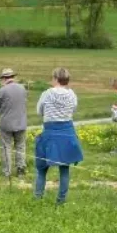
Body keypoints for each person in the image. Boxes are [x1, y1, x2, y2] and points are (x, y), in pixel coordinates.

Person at [34, 68, 83, 204]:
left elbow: (39, 111)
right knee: (64, 168)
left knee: (42, 167)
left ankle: (38, 197)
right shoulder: (72, 94)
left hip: (50, 131)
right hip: (67, 132)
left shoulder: (46, 94)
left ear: (55, 78)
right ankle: (61, 200)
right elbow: (73, 109)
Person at [0, 69, 28, 179]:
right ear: (13, 77)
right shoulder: (22, 88)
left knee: (6, 147)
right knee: (20, 146)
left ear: (4, 79)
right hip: (21, 122)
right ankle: (21, 169)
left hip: (6, 123)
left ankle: (7, 172)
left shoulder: (2, 91)